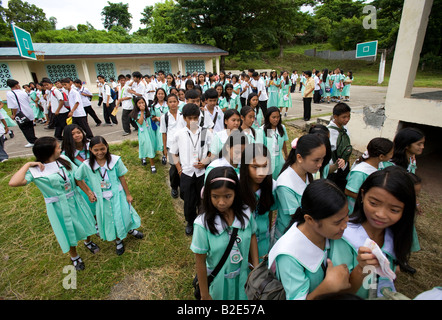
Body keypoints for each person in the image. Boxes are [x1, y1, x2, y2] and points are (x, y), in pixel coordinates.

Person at [9, 136, 99, 270]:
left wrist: (89, 192)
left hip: (75, 199)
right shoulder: (36, 170)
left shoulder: (64, 160)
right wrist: (27, 165)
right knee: (67, 230)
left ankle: (88, 241)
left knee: (85, 221)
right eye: (57, 147)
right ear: (49, 151)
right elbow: (13, 182)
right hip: (58, 207)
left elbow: (77, 178)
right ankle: (74, 256)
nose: (60, 148)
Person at [332, 166, 417, 299]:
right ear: (362, 195)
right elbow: (339, 294)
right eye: (373, 203)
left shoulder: (394, 236)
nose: (380, 214)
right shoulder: (343, 237)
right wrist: (361, 269)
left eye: (394, 210)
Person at [268, 179, 351, 300]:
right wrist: (328, 286)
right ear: (310, 220)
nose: (345, 226)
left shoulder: (332, 234)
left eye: (347, 216)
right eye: (337, 222)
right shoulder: (289, 255)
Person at [191, 166, 259, 300]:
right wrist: (205, 294)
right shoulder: (202, 224)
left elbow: (252, 235)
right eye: (215, 196)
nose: (221, 202)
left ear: (236, 194)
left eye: (228, 196)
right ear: (208, 194)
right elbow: (200, 261)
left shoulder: (246, 213)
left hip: (243, 278)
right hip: (218, 282)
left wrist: (256, 268)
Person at [75, 136, 143, 255]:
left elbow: (121, 177)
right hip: (102, 199)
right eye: (96, 150)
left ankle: (130, 229)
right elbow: (78, 178)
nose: (100, 152)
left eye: (102, 149)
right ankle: (118, 240)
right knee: (111, 219)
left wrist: (128, 194)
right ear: (90, 150)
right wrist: (89, 193)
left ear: (107, 147)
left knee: (125, 214)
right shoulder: (86, 165)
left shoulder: (115, 160)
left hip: (118, 195)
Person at [170, 103, 213, 235]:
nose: (193, 121)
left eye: (196, 118)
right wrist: (179, 169)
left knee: (202, 199)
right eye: (190, 118)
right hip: (187, 173)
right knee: (188, 200)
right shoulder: (179, 134)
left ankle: (202, 220)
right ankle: (190, 221)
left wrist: (205, 162)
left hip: (201, 173)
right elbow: (174, 153)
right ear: (184, 119)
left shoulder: (206, 133)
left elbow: (213, 152)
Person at [274, 134, 326, 241]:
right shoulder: (285, 185)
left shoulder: (309, 173)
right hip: (290, 236)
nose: (320, 164)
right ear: (299, 158)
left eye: (322, 159)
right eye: (316, 160)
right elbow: (298, 217)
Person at [240, 143, 276, 260]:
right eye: (255, 167)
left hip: (263, 244)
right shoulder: (236, 186)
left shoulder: (272, 187)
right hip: (240, 244)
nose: (261, 172)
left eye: (265, 166)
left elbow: (269, 211)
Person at [345, 138, 394, 215]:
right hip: (356, 209)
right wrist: (370, 199)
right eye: (391, 153)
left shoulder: (382, 165)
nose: (392, 156)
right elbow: (349, 191)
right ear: (381, 156)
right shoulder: (360, 172)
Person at [160, 93, 182, 197]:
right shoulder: (164, 117)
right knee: (174, 168)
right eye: (170, 102)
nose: (173, 104)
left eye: (174, 101)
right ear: (167, 104)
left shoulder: (183, 115)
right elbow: (164, 133)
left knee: (182, 166)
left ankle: (182, 184)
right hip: (171, 147)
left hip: (182, 145)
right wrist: (164, 148)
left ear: (178, 102)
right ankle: (174, 187)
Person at [327, 103, 352, 192]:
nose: (347, 119)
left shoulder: (344, 128)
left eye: (349, 116)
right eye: (344, 117)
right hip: (333, 167)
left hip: (344, 165)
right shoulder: (329, 131)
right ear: (335, 117)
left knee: (341, 188)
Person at [6, 79, 38, 147]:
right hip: (28, 111)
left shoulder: (10, 93)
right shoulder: (23, 92)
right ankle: (33, 139)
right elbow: (29, 101)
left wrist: (13, 114)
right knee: (30, 126)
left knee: (24, 128)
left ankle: (31, 141)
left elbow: (14, 106)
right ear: (16, 85)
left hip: (21, 113)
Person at [130, 96, 157, 173]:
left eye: (143, 102)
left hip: (150, 132)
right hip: (143, 133)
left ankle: (144, 157)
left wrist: (156, 118)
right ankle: (152, 165)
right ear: (136, 104)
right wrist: (142, 112)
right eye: (139, 103)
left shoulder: (148, 112)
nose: (142, 104)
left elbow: (150, 119)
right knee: (146, 146)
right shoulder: (135, 114)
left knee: (150, 145)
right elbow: (141, 122)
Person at [262, 107, 289, 179]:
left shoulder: (282, 128)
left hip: (279, 158)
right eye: (273, 117)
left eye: (278, 117)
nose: (276, 119)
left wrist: (286, 155)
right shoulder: (263, 130)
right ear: (268, 117)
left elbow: (283, 142)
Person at [150, 88, 169, 154]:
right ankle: (164, 154)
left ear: (164, 95)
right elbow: (152, 117)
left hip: (168, 125)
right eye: (159, 94)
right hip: (159, 125)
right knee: (161, 141)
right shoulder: (153, 106)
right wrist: (156, 118)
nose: (160, 95)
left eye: (162, 94)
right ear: (156, 95)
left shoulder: (168, 104)